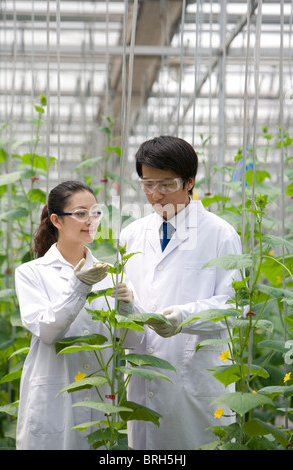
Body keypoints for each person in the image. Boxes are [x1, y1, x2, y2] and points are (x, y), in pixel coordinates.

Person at [120, 135, 242, 450]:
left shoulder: (219, 234)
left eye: (166, 184)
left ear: (189, 182)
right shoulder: (131, 234)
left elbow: (233, 305)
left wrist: (184, 317)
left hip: (193, 374)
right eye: (147, 184)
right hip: (143, 370)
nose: (155, 194)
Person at [15, 181, 135, 450]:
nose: (90, 220)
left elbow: (125, 339)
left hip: (100, 393)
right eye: (81, 213)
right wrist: (79, 286)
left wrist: (129, 308)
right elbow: (47, 331)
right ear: (56, 220)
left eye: (95, 213)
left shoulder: (109, 273)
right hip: (55, 391)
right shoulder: (32, 273)